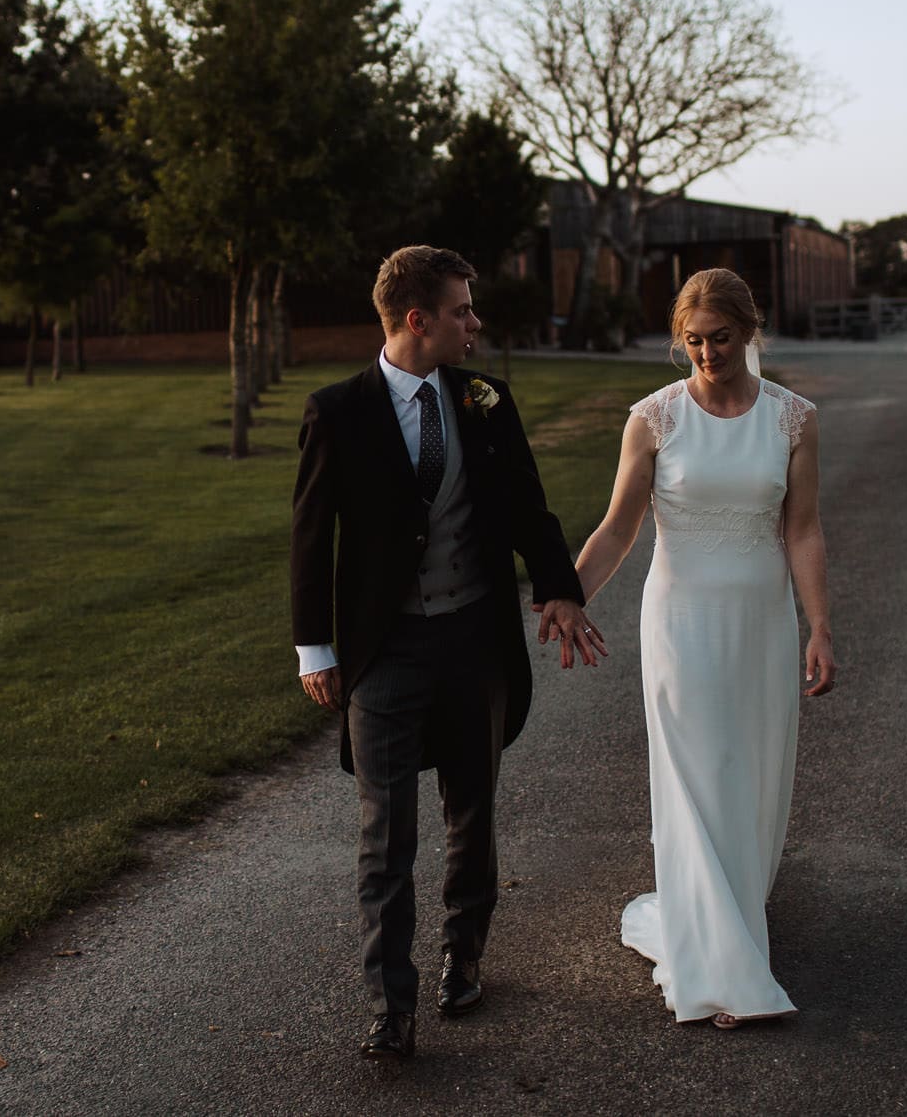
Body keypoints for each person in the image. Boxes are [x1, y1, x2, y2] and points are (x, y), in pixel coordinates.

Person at [290, 245, 605, 1061]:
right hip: (384, 653)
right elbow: (309, 540)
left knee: (474, 813)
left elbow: (529, 505)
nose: (478, 322)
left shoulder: (488, 400)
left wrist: (560, 587)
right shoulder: (338, 411)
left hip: (475, 640)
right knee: (385, 835)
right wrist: (313, 649)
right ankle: (390, 1005)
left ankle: (463, 957)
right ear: (418, 319)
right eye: (464, 309)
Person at [566, 267, 836, 1028]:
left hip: (760, 618)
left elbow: (804, 528)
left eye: (721, 338)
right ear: (678, 339)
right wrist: (563, 594)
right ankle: (720, 963)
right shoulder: (653, 419)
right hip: (680, 621)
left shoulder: (794, 418)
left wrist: (818, 624)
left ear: (749, 333)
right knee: (697, 773)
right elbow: (618, 527)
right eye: (694, 340)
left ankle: (732, 912)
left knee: (751, 775)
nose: (708, 353)